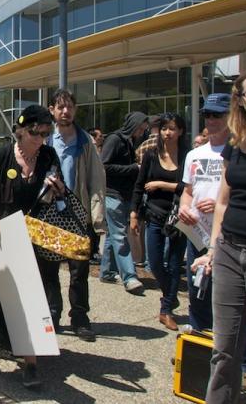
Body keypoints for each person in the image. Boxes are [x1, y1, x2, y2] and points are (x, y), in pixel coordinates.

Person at [0, 105, 64, 389]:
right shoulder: (1, 155)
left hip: (36, 233)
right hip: (6, 230)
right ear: (21, 130)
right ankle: (4, 342)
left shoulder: (48, 155)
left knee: (33, 296)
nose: (41, 140)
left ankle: (31, 363)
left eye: (46, 134)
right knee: (6, 290)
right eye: (36, 134)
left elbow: (59, 188)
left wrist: (57, 186)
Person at [179, 93, 246, 391]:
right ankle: (197, 352)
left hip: (230, 238)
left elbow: (233, 197)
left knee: (240, 312)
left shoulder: (239, 149)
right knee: (198, 297)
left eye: (217, 115)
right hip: (196, 235)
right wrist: (186, 205)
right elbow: (187, 190)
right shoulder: (195, 154)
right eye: (207, 115)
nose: (211, 120)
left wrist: (219, 203)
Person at [47, 89, 105, 341]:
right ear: (51, 110)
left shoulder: (85, 142)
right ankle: (52, 313)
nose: (65, 111)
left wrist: (95, 218)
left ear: (75, 109)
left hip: (78, 215)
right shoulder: (45, 140)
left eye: (69, 106)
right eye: (60, 107)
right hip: (49, 214)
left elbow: (96, 180)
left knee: (78, 271)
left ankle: (80, 316)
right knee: (48, 270)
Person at [129, 113, 187, 330]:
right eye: (164, 128)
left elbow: (189, 187)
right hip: (154, 215)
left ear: (181, 131)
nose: (167, 133)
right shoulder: (151, 155)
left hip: (180, 217)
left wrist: (162, 184)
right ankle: (171, 296)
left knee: (173, 264)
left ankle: (166, 309)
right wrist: (133, 213)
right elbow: (139, 184)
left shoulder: (187, 156)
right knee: (154, 263)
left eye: (172, 128)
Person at [100, 112, 148, 294]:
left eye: (144, 130)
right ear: (133, 126)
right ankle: (129, 276)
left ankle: (106, 271)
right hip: (113, 194)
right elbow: (104, 165)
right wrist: (133, 168)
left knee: (114, 234)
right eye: (140, 129)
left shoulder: (127, 141)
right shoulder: (115, 139)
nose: (142, 133)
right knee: (120, 235)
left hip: (123, 194)